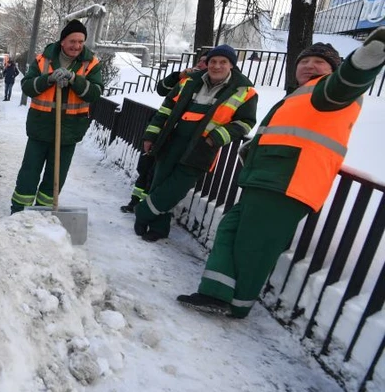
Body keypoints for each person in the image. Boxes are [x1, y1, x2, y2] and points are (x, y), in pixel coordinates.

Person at [178, 31, 385, 318]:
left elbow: (349, 81)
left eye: (319, 62)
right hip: (267, 176)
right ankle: (215, 292)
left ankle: (238, 305)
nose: (310, 66)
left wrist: (367, 57)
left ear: (332, 70)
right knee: (230, 230)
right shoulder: (298, 96)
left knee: (256, 245)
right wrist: (253, 148)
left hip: (292, 180)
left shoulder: (332, 90)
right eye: (305, 60)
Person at [134, 44, 258, 241]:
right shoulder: (189, 81)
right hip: (171, 141)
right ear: (207, 63)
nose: (217, 66)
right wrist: (151, 136)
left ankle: (143, 213)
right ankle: (157, 228)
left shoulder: (245, 91)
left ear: (232, 65)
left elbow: (246, 122)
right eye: (213, 62)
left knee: (175, 189)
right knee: (160, 183)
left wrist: (216, 137)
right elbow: (165, 109)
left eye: (223, 62)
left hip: (202, 148)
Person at [10, 19, 103, 213]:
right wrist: (49, 79)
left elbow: (94, 93)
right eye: (72, 41)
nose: (76, 46)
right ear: (63, 41)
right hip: (40, 127)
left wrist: (74, 79)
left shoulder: (91, 64)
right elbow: (27, 86)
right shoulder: (43, 59)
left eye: (80, 41)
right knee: (29, 172)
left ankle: (43, 213)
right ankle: (19, 212)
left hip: (69, 130)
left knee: (55, 177)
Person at [120, 53, 208, 213]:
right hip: (160, 129)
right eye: (200, 61)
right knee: (145, 167)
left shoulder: (202, 86)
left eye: (205, 62)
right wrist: (179, 75)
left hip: (174, 136)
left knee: (156, 173)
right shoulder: (186, 79)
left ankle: (146, 206)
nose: (200, 64)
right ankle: (135, 201)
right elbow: (161, 89)